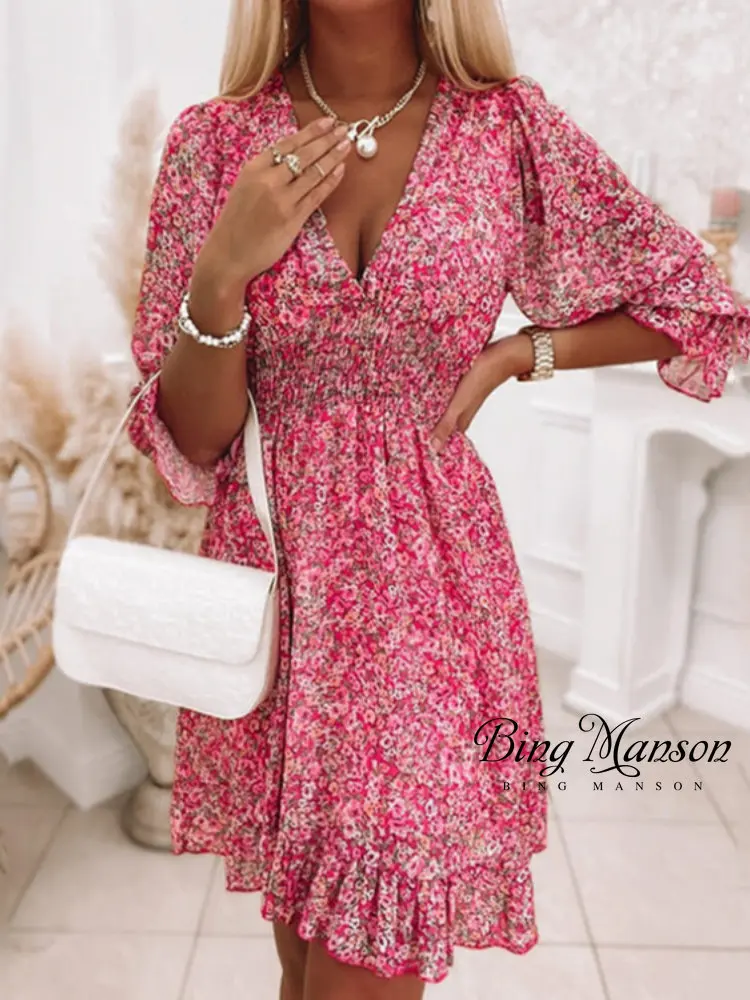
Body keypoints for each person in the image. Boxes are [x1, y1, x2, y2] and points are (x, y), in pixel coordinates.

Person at [127, 1, 750, 997]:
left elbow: (696, 304)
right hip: (283, 595)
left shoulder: (506, 127)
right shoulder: (214, 142)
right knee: (305, 957)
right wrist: (222, 271)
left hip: (429, 598)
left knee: (365, 950)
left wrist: (520, 351)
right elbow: (196, 438)